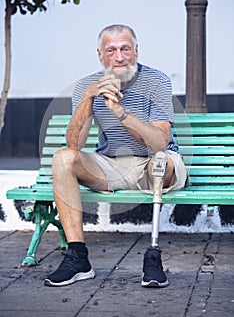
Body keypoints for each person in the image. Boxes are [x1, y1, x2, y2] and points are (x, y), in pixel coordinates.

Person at [44, 24, 188, 288]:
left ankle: (153, 258)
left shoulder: (156, 81)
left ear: (136, 51)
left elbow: (159, 143)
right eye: (111, 50)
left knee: (160, 162)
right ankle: (77, 258)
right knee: (63, 158)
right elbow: (74, 144)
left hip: (156, 164)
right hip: (112, 165)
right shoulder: (87, 86)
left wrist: (120, 112)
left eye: (125, 49)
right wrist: (88, 98)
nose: (119, 57)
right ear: (100, 55)